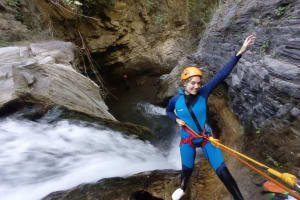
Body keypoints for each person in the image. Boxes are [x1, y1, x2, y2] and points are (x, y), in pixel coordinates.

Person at [166, 35, 256, 200]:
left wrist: (241, 51)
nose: (196, 86)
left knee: (223, 172)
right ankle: (183, 187)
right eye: (192, 83)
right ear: (184, 83)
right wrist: (176, 119)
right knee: (187, 170)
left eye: (199, 83)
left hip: (206, 138)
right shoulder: (174, 100)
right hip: (187, 140)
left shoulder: (204, 92)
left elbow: (222, 74)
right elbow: (168, 111)